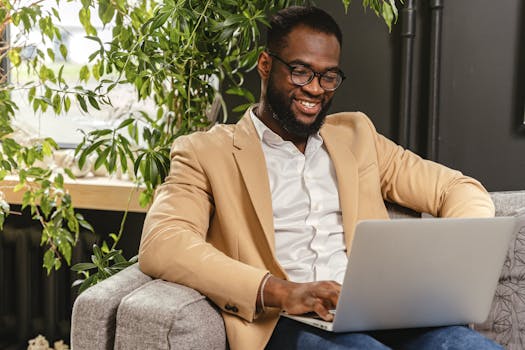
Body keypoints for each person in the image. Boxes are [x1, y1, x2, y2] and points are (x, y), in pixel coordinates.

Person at [139, 6, 501, 350]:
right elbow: (163, 242)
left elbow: (458, 188)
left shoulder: (357, 136)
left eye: (329, 76)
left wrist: (452, 258)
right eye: (300, 71)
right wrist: (281, 291)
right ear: (266, 65)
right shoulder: (206, 152)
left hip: (382, 312)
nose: (315, 89)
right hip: (287, 321)